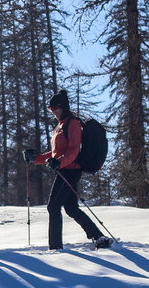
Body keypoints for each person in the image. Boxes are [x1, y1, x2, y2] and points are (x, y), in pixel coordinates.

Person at [25, 89, 109, 250]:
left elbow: (73, 150)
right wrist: (36, 159)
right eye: (51, 108)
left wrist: (59, 163)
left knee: (53, 206)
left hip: (71, 169)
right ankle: (99, 238)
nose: (54, 111)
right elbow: (56, 153)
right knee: (71, 208)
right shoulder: (59, 126)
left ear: (64, 106)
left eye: (56, 107)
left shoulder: (73, 123)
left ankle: (55, 247)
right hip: (64, 169)